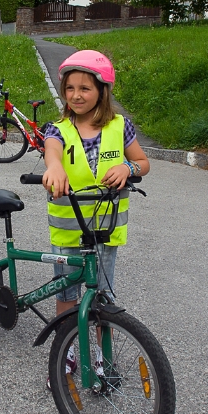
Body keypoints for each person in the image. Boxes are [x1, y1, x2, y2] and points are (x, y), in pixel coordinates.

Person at [41, 50, 150, 388]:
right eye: (70, 88)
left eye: (85, 88)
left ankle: (102, 356)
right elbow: (52, 151)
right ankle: (67, 351)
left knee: (103, 296)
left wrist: (128, 167)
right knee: (67, 296)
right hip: (69, 232)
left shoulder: (120, 126)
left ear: (102, 91)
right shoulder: (57, 128)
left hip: (104, 231)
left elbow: (143, 162)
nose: (76, 95)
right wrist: (54, 168)